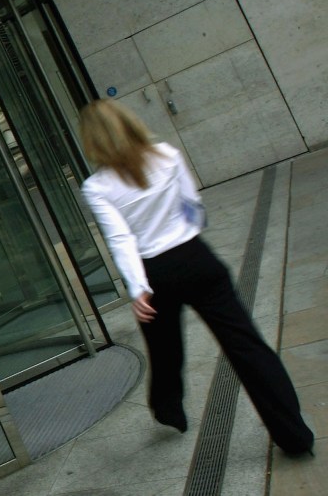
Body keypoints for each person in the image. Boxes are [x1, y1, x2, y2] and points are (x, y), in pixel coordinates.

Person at [78, 99, 314, 456]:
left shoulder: (97, 187)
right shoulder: (166, 155)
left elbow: (120, 238)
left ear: (91, 141)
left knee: (164, 346)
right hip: (196, 258)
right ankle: (294, 436)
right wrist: (187, 235)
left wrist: (138, 288)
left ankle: (169, 409)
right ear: (129, 123)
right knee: (246, 346)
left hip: (154, 272)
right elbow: (192, 205)